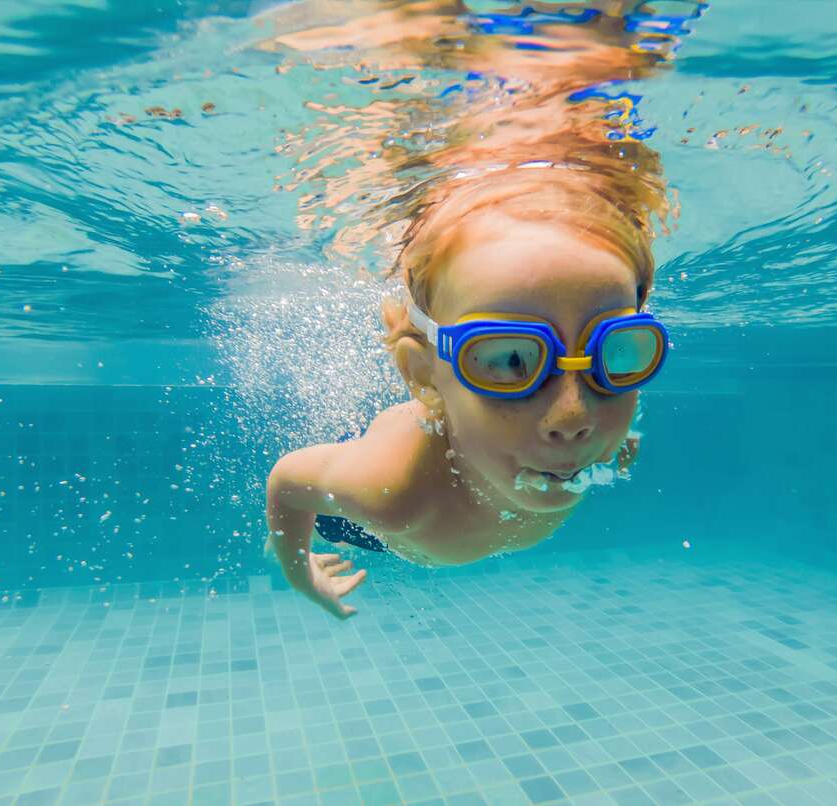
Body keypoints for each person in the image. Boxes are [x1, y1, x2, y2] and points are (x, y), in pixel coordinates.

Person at [262, 1, 686, 619]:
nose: (573, 418)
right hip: (366, 529)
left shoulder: (590, 432)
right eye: (510, 360)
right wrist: (301, 575)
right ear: (421, 372)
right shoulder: (391, 492)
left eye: (614, 355)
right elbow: (287, 482)